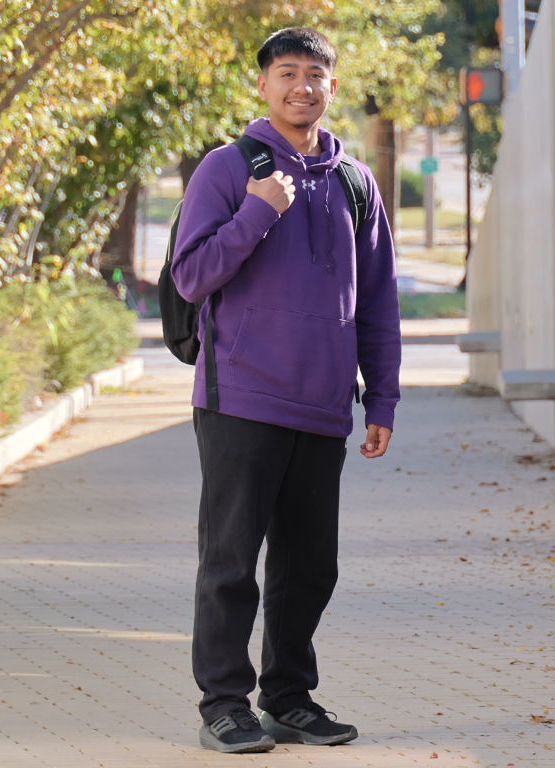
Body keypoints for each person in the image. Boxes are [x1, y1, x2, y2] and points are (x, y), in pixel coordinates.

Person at [170, 27, 401, 754]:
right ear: (264, 86)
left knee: (309, 566)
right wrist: (259, 210)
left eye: (315, 75)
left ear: (333, 88)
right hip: (239, 397)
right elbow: (190, 276)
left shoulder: (355, 183)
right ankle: (223, 705)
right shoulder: (227, 168)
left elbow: (379, 304)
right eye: (287, 73)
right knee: (232, 561)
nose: (302, 86)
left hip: (323, 404)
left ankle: (289, 698)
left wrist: (383, 399)